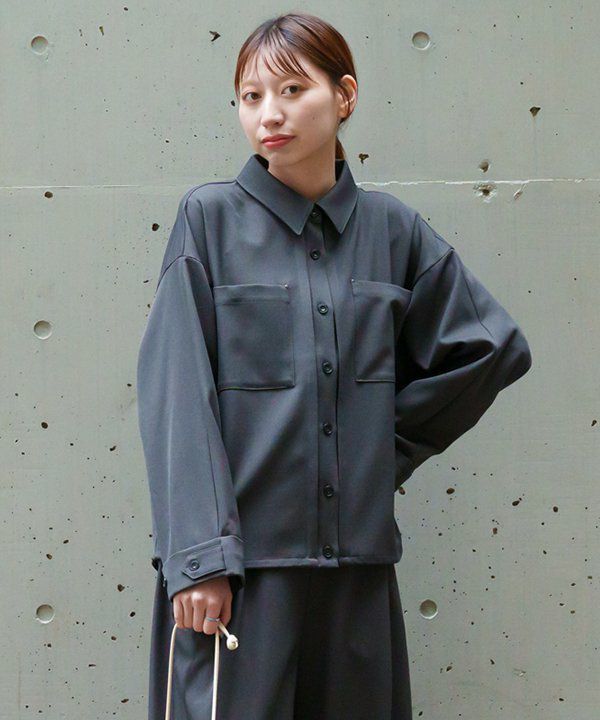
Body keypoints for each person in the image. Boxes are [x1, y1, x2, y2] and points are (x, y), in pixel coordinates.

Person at [136, 12, 532, 720]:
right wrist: (199, 560)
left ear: (344, 96)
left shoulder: (393, 231)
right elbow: (176, 393)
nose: (270, 113)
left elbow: (488, 348)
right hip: (239, 581)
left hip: (358, 580)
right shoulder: (210, 222)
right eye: (252, 96)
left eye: (292, 90)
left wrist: (376, 447)